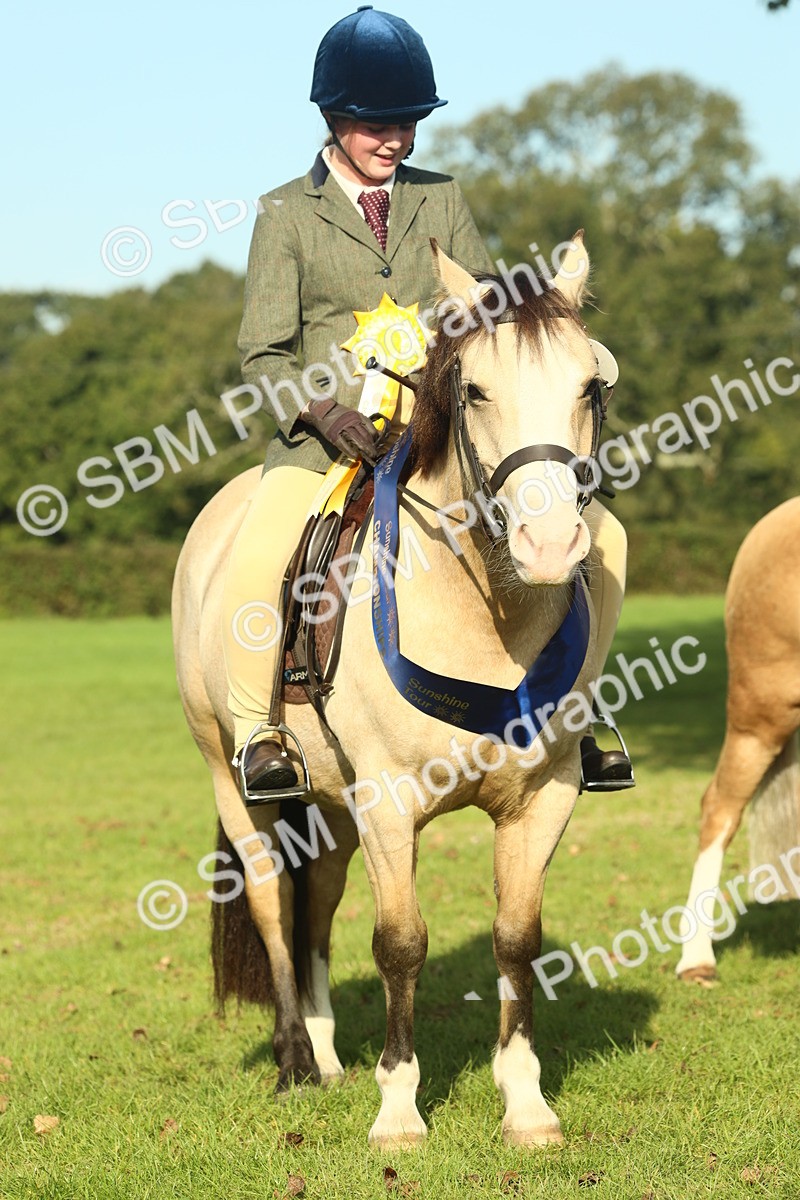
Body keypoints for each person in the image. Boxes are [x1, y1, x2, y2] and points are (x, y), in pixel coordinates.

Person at [222, 5, 632, 800]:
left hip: (440, 431)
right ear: (333, 118)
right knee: (261, 550)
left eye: (408, 122)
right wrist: (325, 413)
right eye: (378, 124)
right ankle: (257, 731)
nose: (397, 139)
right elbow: (262, 353)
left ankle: (577, 714)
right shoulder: (284, 215)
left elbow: (484, 312)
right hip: (326, 438)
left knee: (603, 536)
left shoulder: (441, 198)